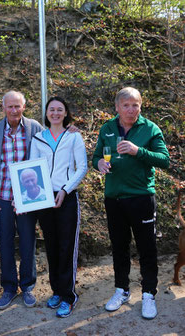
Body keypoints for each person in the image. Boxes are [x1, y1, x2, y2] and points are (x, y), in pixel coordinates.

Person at [92, 87, 169, 320]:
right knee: (119, 247)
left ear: (140, 106)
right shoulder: (107, 128)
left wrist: (139, 151)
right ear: (117, 107)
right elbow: (96, 156)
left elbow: (164, 160)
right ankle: (122, 290)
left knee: (147, 248)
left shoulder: (150, 128)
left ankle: (148, 294)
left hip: (141, 197)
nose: (130, 109)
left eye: (135, 104)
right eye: (126, 105)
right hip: (114, 197)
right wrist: (99, 165)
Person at [0, 90, 44, 310]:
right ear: (3, 108)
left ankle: (27, 286)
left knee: (28, 242)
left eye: (18, 106)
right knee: (6, 243)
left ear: (24, 107)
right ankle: (9, 287)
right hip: (3, 198)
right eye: (10, 106)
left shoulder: (35, 127)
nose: (14, 110)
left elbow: (47, 155)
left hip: (27, 197)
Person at [30, 96, 87, 318]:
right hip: (44, 198)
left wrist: (65, 190)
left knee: (67, 246)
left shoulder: (73, 136)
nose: (55, 113)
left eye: (59, 109)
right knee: (51, 245)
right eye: (51, 109)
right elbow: (33, 168)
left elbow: (81, 168)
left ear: (65, 113)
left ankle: (69, 295)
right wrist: (38, 195)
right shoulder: (38, 138)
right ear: (46, 113)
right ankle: (56, 290)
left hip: (67, 197)